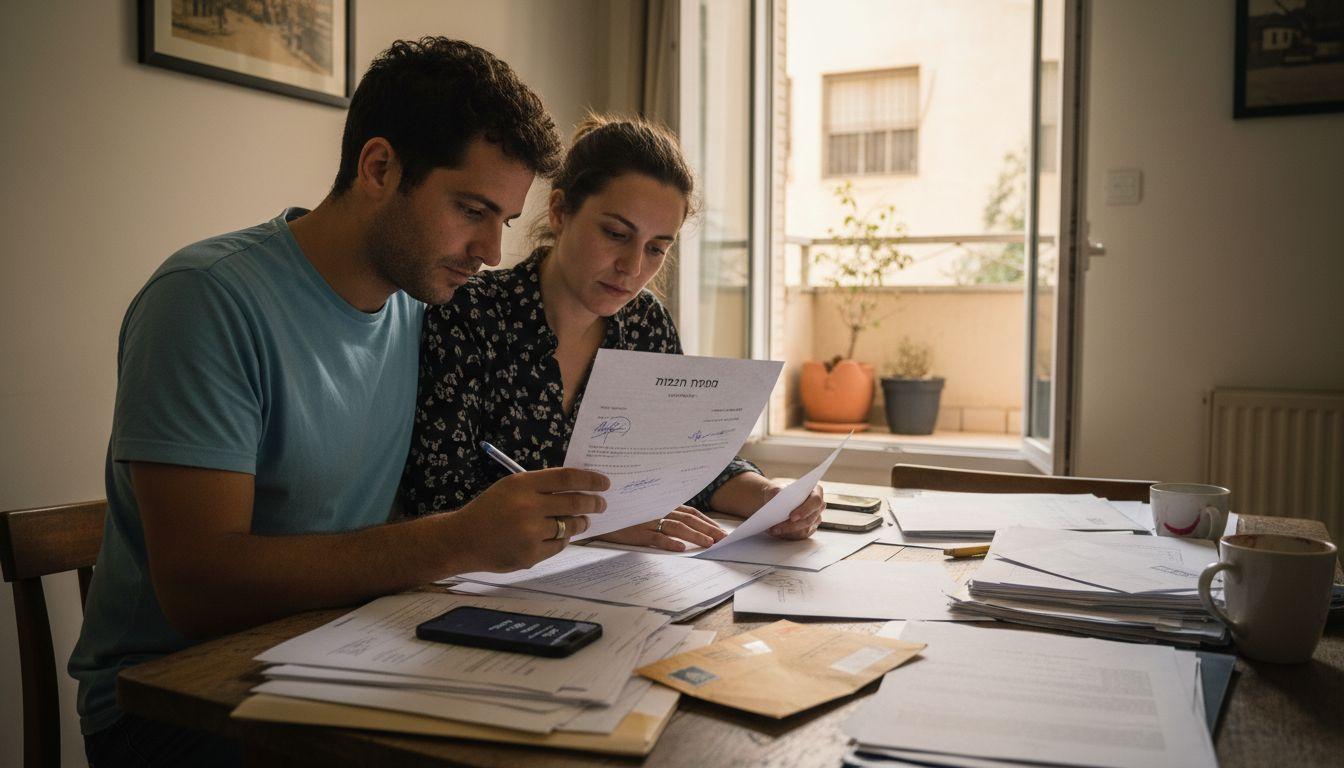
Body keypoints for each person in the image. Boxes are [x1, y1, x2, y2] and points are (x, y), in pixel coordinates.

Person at [68, 37, 609, 767]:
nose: (489, 248)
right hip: (178, 708)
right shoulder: (206, 301)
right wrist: (457, 537)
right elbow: (198, 588)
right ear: (379, 167)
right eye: (472, 209)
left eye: (504, 222)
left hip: (342, 657)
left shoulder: (423, 311)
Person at [400, 114, 823, 550]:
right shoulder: (469, 313)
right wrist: (592, 522)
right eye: (616, 233)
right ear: (560, 211)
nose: (633, 267)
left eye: (657, 248)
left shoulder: (645, 325)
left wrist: (771, 496)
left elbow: (685, 460)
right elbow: (435, 496)